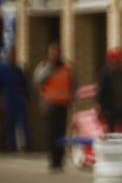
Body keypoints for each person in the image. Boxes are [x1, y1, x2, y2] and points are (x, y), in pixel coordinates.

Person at [34, 42, 75, 172]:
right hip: (50, 106)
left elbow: (73, 83)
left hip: (63, 105)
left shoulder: (67, 67)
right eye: (52, 53)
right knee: (51, 135)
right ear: (49, 54)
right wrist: (49, 69)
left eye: (57, 53)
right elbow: (38, 81)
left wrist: (72, 97)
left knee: (61, 134)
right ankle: (53, 161)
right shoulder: (44, 66)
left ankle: (60, 161)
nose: (55, 55)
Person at [0, 47, 32, 151]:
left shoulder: (18, 70)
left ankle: (27, 145)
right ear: (7, 56)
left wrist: (26, 97)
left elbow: (24, 84)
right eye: (11, 55)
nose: (13, 57)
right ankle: (11, 146)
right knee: (10, 123)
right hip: (8, 99)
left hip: (19, 99)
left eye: (14, 55)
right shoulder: (2, 69)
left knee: (23, 123)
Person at [96, 47, 122, 134]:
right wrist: (102, 109)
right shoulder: (105, 74)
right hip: (110, 109)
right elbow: (101, 92)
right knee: (111, 132)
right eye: (116, 61)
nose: (118, 64)